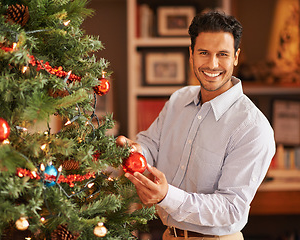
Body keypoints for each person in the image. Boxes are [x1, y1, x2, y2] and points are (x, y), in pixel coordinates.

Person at [117, 11, 276, 240]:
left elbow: (231, 209)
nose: (212, 64)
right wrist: (135, 151)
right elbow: (151, 145)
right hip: (169, 235)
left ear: (236, 57)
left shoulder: (253, 128)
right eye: (204, 53)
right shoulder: (178, 100)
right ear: (191, 54)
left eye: (222, 54)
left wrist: (166, 197)